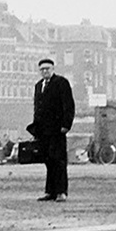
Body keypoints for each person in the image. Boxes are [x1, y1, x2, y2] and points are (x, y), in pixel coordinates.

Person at [28, 57, 75, 202]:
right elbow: (38, 108)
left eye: (47, 69)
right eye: (42, 69)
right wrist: (35, 128)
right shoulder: (38, 86)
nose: (44, 71)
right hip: (43, 131)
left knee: (59, 160)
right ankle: (50, 191)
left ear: (53, 69)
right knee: (48, 161)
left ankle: (61, 191)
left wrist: (66, 125)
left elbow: (68, 105)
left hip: (57, 130)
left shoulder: (61, 83)